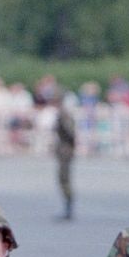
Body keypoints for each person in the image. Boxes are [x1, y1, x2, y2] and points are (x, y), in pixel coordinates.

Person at [52, 89, 76, 221]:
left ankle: (69, 209)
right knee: (63, 179)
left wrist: (69, 147)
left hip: (65, 151)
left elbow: (70, 132)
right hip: (64, 150)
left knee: (64, 179)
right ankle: (67, 208)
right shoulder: (62, 113)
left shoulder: (63, 114)